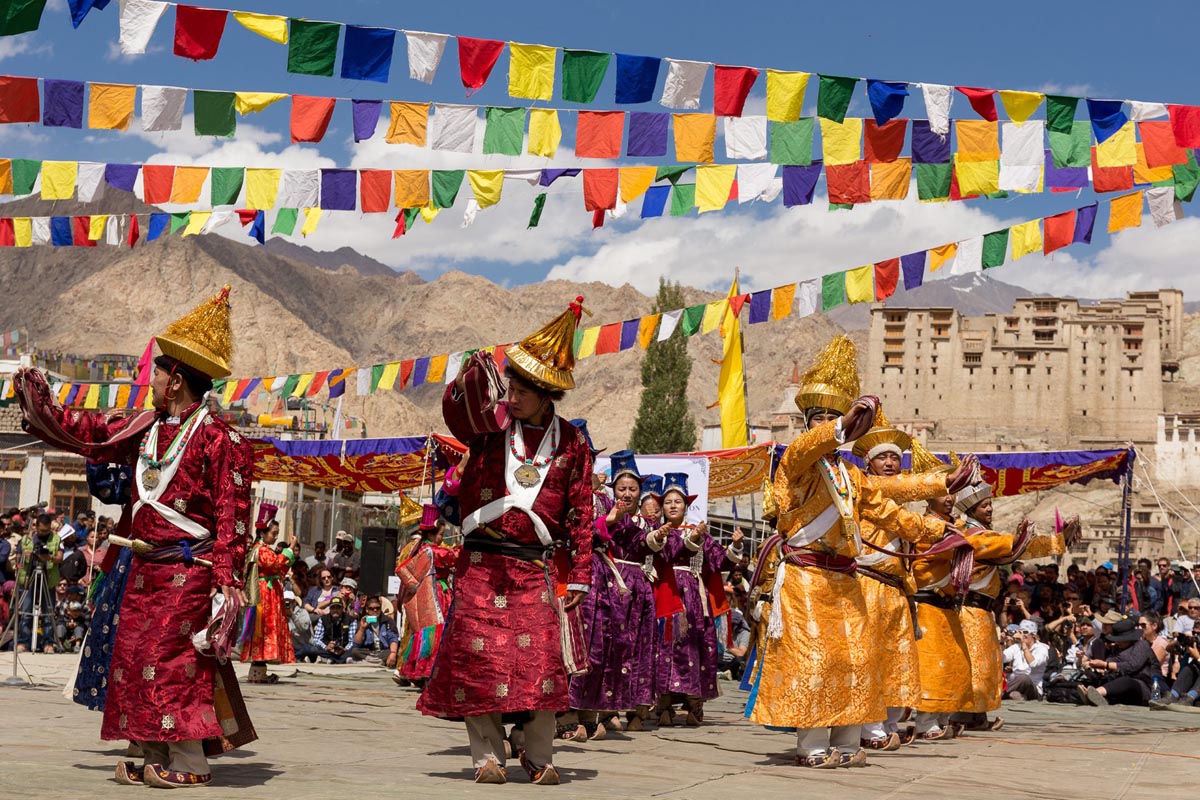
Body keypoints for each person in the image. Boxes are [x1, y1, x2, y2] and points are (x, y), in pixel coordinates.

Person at [13, 285, 256, 788]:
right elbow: (91, 431)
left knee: (171, 661)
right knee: (131, 660)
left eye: (160, 373)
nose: (152, 381)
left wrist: (225, 583)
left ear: (179, 380)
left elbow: (233, 516)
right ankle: (149, 750)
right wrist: (42, 403)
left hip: (190, 568)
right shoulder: (145, 431)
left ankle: (192, 763)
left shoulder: (221, 439)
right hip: (144, 569)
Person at [743, 336, 963, 768]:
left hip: (845, 578)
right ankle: (811, 748)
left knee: (856, 659)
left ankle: (846, 745)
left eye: (834, 417)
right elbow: (811, 446)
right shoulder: (796, 460)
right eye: (820, 418)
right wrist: (841, 427)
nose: (828, 423)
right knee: (817, 661)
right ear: (809, 424)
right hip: (806, 576)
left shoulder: (849, 474)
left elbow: (889, 503)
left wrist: (942, 498)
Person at [418, 296, 594, 786]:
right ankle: (486, 757)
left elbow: (582, 513)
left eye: (520, 391)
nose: (511, 397)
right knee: (479, 659)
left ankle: (538, 755)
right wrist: (470, 379)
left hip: (532, 568)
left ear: (544, 395)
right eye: (509, 387)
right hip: (480, 566)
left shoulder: (574, 444)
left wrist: (579, 574)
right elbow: (458, 414)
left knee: (540, 662)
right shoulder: (490, 429)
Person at [850, 414, 976, 751]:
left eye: (894, 457)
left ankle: (888, 723)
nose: (890, 463)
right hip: (868, 583)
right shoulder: (865, 486)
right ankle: (868, 726)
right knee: (872, 658)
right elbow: (900, 490)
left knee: (897, 661)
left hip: (895, 587)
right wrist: (944, 483)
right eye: (883, 457)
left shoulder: (899, 498)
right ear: (867, 462)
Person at [951, 481, 1076, 732]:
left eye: (990, 505)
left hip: (982, 610)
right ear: (972, 509)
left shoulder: (979, 533)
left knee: (984, 666)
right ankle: (961, 715)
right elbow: (1016, 547)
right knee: (972, 665)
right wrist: (1057, 542)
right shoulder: (975, 537)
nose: (990, 509)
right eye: (984, 505)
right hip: (970, 611)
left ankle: (975, 714)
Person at [648, 472, 742, 728]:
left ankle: (694, 705)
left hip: (693, 599)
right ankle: (664, 704)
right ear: (662, 507)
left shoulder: (698, 531)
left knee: (695, 647)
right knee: (663, 648)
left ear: (686, 506)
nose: (673, 506)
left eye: (678, 501)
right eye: (668, 502)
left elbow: (719, 561)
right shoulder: (656, 534)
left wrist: (734, 547)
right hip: (666, 594)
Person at [394, 504, 458, 685]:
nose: (442, 539)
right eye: (440, 535)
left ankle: (416, 671)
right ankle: (429, 671)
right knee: (435, 632)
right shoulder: (431, 551)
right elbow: (452, 557)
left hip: (424, 594)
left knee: (423, 633)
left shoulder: (418, 548)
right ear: (431, 534)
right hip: (436, 593)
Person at [240, 506, 297, 683]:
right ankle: (258, 671)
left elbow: (279, 566)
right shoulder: (261, 550)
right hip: (263, 594)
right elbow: (275, 565)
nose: (275, 537)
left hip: (269, 592)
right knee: (263, 628)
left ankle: (259, 671)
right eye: (273, 533)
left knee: (266, 629)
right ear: (263, 533)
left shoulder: (262, 548)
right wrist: (290, 548)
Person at [1080, 617, 1157, 706]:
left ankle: (1095, 693)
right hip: (1120, 686)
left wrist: (1106, 665)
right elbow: (1111, 660)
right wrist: (1096, 666)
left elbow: (1132, 666)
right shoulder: (1117, 648)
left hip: (1144, 686)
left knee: (1126, 681)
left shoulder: (1142, 645)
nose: (1117, 642)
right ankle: (1099, 699)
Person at [1003, 619, 1050, 700]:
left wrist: (1024, 645)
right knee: (1014, 694)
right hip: (1015, 685)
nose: (1023, 636)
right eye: (1020, 632)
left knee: (1024, 677)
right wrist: (1000, 642)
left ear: (1034, 635)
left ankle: (1000, 694)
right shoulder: (1016, 647)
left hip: (1034, 689)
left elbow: (1033, 663)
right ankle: (1018, 697)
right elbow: (1002, 658)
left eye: (1025, 633)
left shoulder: (1042, 649)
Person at [348, 595, 401, 666]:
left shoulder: (388, 621)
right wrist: (362, 629)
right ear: (367, 609)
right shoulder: (363, 621)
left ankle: (365, 663)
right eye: (371, 609)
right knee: (354, 651)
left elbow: (393, 638)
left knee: (392, 653)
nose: (375, 610)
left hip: (383, 651)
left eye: (377, 608)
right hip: (369, 651)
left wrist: (393, 653)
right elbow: (356, 644)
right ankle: (379, 662)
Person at [285, 590, 323, 663]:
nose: (287, 604)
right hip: (293, 648)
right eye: (285, 602)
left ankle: (301, 658)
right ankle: (300, 658)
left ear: (294, 602)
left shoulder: (303, 612)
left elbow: (304, 628)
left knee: (311, 650)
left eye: (289, 602)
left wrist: (292, 615)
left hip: (307, 646)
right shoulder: (282, 616)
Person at [312, 596, 352, 663]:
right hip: (327, 650)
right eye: (333, 608)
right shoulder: (323, 619)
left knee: (354, 651)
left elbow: (352, 641)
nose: (335, 610)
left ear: (343, 609)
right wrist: (326, 647)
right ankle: (336, 660)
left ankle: (330, 660)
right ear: (330, 609)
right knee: (310, 649)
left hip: (344, 650)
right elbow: (316, 640)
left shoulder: (350, 620)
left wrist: (345, 649)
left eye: (338, 608)